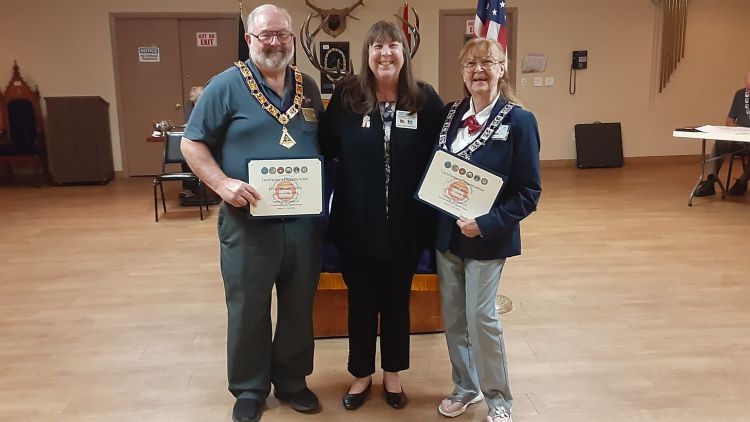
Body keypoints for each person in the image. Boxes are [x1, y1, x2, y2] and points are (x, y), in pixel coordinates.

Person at [180, 5, 325, 422]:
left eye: (282, 34)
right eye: (265, 35)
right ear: (249, 40)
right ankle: (249, 387)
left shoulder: (308, 86)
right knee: (248, 306)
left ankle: (293, 380)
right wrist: (222, 184)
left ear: (293, 39)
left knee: (299, 306)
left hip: (302, 223)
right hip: (248, 223)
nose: (275, 42)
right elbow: (193, 143)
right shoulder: (224, 86)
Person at [318, 20, 444, 411]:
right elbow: (326, 148)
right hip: (357, 224)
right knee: (361, 301)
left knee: (395, 302)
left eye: (393, 46)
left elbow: (444, 153)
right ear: (367, 54)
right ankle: (361, 374)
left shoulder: (424, 99)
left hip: (406, 226)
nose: (386, 53)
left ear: (404, 54)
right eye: (377, 47)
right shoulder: (346, 97)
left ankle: (392, 373)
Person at [434, 38, 541, 422]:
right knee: (453, 316)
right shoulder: (449, 115)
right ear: (462, 72)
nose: (479, 70)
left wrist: (486, 224)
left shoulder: (520, 121)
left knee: (481, 318)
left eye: (488, 63)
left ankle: (499, 398)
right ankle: (466, 386)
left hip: (487, 238)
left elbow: (530, 193)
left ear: (502, 69)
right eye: (471, 64)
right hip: (447, 237)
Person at [694, 71, 750, 197]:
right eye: (747, 88)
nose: (749, 92)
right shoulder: (740, 95)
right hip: (739, 139)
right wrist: (738, 130)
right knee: (719, 144)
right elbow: (729, 121)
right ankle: (711, 180)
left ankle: (742, 182)